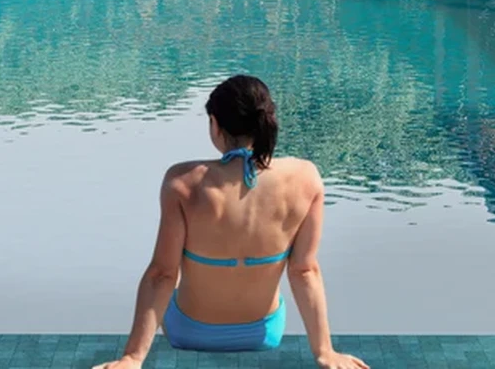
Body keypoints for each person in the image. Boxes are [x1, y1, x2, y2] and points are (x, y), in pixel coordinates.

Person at [93, 75, 368, 369]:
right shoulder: (305, 178)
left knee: (168, 284)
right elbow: (304, 270)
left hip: (188, 331)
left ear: (215, 123)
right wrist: (325, 352)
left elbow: (162, 274)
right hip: (264, 333)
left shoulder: (183, 182)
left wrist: (132, 358)